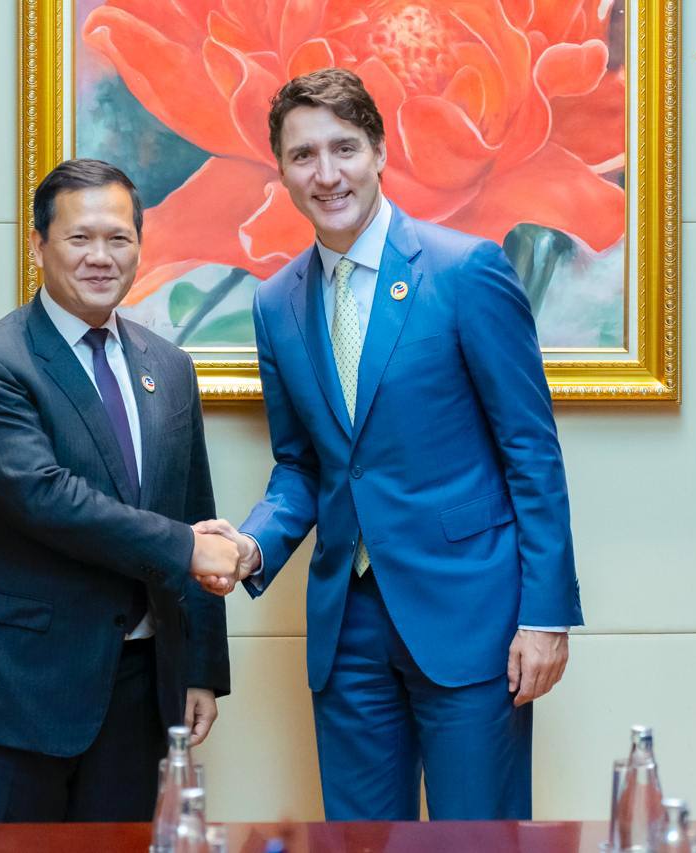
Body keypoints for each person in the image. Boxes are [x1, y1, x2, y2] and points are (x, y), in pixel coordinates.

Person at [193, 69, 583, 821]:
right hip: (348, 627)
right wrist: (251, 545)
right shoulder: (275, 304)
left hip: (470, 614)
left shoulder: (466, 271)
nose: (326, 173)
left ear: (379, 151)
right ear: (282, 172)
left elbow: (531, 452)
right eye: (303, 155)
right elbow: (302, 467)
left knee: (479, 841)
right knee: (360, 841)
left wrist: (545, 616)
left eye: (344, 148)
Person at [0, 158, 235, 823]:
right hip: (14, 689)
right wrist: (185, 546)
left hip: (139, 690)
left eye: (119, 238)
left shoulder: (169, 367)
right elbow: (44, 497)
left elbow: (193, 509)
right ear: (39, 246)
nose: (100, 256)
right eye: (79, 237)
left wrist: (200, 667)